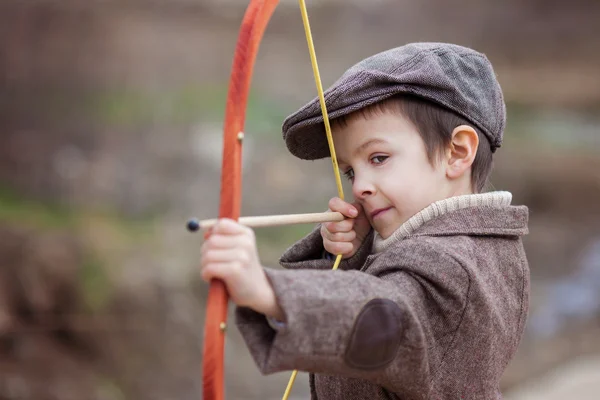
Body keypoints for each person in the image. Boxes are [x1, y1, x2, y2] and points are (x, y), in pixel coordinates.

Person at [200, 42, 530, 399]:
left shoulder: (459, 267)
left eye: (378, 158)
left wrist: (268, 291)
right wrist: (355, 255)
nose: (359, 187)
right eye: (349, 171)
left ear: (458, 152)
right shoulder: (467, 248)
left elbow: (385, 316)